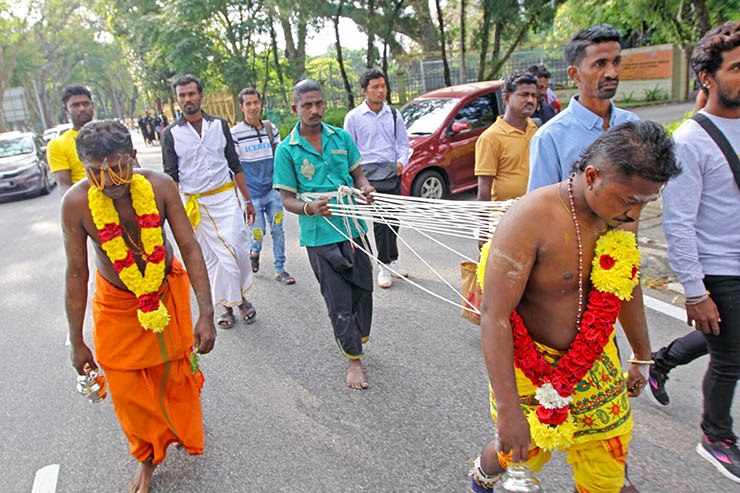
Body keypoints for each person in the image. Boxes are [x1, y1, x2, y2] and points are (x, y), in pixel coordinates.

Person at [470, 121, 681, 493]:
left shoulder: (619, 219)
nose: (634, 214)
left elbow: (625, 288)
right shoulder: (530, 218)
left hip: (595, 362)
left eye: (644, 203)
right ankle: (485, 473)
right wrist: (508, 411)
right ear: (592, 176)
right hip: (529, 367)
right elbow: (495, 315)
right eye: (629, 200)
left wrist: (642, 355)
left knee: (608, 462)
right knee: (519, 450)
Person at [61, 120, 216, 493]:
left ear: (133, 157)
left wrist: (206, 312)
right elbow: (76, 274)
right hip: (115, 303)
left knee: (173, 374)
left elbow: (190, 247)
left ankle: (176, 427)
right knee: (126, 387)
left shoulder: (160, 186)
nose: (108, 181)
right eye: (95, 172)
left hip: (164, 290)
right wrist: (76, 339)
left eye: (117, 167)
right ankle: (146, 456)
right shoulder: (76, 203)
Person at [658, 22, 740, 483]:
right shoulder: (690, 141)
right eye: (737, 68)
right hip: (719, 267)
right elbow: (679, 222)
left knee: (727, 341)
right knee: (731, 358)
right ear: (707, 77)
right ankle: (716, 436)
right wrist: (694, 290)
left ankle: (664, 360)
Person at [273, 79, 376, 390]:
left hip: (353, 228)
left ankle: (354, 338)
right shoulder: (286, 150)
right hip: (319, 235)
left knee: (363, 291)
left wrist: (365, 188)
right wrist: (310, 208)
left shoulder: (341, 137)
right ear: (295, 109)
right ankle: (354, 360)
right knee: (338, 299)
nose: (314, 110)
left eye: (319, 103)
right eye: (307, 105)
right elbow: (287, 199)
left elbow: (358, 174)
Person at [161, 74, 258, 330]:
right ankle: (228, 304)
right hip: (196, 205)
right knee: (212, 257)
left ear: (200, 95)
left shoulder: (219, 125)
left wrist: (247, 199)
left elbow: (234, 164)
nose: (187, 99)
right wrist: (174, 213)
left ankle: (239, 295)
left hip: (226, 198)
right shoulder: (170, 133)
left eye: (191, 94)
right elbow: (171, 177)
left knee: (236, 247)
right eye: (182, 95)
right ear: (177, 99)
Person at [527, 24, 639, 192]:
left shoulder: (632, 124)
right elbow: (539, 210)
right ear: (574, 74)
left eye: (616, 62)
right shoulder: (550, 138)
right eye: (600, 64)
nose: (612, 73)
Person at [344, 68, 410, 289]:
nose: (381, 90)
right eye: (375, 87)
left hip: (392, 171)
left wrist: (402, 162)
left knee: (394, 219)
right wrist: (356, 178)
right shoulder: (353, 117)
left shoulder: (393, 114)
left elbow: (403, 143)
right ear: (364, 91)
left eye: (383, 86)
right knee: (381, 221)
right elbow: (348, 149)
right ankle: (383, 264)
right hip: (369, 176)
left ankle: (392, 259)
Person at [230, 87, 295, 285]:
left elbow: (281, 157)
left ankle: (279, 269)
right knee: (257, 233)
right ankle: (254, 251)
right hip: (252, 196)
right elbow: (234, 168)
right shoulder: (235, 134)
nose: (253, 107)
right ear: (241, 107)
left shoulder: (270, 129)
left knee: (277, 230)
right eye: (248, 104)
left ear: (260, 104)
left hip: (272, 192)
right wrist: (240, 197)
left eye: (255, 102)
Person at [475, 71, 538, 209]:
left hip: (535, 214)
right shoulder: (490, 138)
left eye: (534, 96)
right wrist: (484, 228)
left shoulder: (536, 130)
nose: (531, 100)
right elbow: (484, 191)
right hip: (505, 218)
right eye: (524, 95)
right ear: (506, 98)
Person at [47, 84, 94, 196]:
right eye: (75, 105)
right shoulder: (57, 144)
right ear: (66, 109)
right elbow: (64, 186)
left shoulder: (112, 132)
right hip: (88, 204)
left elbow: (134, 169)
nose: (82, 109)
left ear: (92, 105)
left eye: (86, 104)